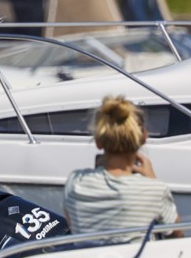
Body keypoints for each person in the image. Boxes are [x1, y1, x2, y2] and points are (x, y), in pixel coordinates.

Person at [63, 95, 183, 239]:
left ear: (98, 141)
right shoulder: (155, 190)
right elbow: (177, 237)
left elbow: (73, 224)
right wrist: (152, 180)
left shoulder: (75, 182)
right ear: (144, 137)